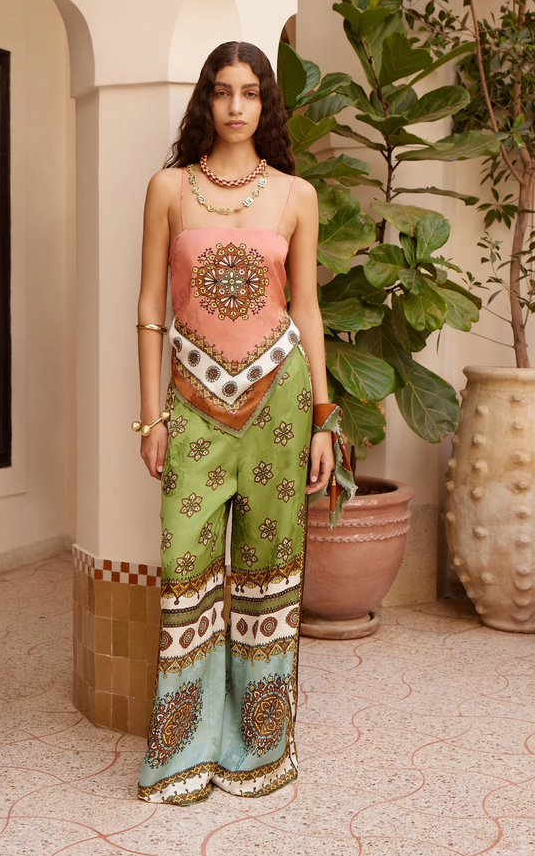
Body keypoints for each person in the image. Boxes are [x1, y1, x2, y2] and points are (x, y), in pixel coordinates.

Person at [134, 41, 354, 806]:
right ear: (207, 99)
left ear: (266, 104)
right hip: (192, 405)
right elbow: (149, 313)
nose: (236, 105)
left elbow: (308, 309)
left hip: (280, 402)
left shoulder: (296, 195)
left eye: (250, 92)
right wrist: (148, 418)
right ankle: (182, 752)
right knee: (185, 571)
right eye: (223, 91)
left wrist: (325, 418)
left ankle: (259, 746)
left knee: (269, 567)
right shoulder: (169, 187)